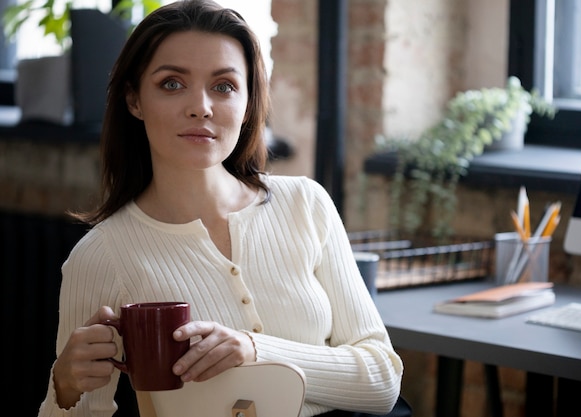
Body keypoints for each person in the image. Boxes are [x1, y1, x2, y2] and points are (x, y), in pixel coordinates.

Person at [37, 1, 408, 416]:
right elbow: (82, 407)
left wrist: (253, 349)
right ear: (134, 100)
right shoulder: (101, 256)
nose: (201, 107)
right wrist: (65, 387)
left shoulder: (307, 204)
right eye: (172, 84)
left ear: (249, 102)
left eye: (224, 86)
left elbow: (382, 381)